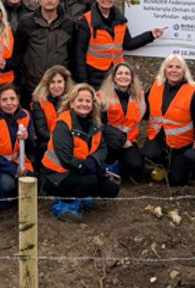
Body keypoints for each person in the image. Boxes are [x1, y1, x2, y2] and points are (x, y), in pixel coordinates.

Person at [41, 83, 119, 221]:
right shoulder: (63, 124)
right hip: (55, 176)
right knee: (91, 181)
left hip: (81, 170)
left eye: (88, 101)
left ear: (93, 104)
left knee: (111, 189)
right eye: (80, 100)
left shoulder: (95, 124)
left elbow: (102, 148)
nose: (84, 104)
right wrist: (87, 167)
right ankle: (63, 204)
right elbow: (65, 159)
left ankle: (80, 196)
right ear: (71, 103)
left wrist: (93, 160)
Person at [74, 0, 164, 88]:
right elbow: (79, 52)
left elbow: (128, 44)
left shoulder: (120, 20)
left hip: (116, 73)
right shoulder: (86, 21)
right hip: (94, 75)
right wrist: (83, 82)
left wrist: (151, 35)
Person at [140, 55, 195, 186]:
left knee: (176, 181)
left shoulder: (193, 92)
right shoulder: (155, 86)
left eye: (178, 67)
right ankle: (162, 164)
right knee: (148, 154)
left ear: (184, 71)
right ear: (164, 70)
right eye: (170, 66)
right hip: (158, 137)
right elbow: (144, 111)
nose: (174, 70)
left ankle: (186, 170)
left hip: (182, 143)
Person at [15, 0, 74, 105]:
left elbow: (72, 54)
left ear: (58, 1)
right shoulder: (27, 22)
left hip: (59, 88)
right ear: (40, 0)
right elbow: (18, 52)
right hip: (32, 86)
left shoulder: (69, 23)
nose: (49, 0)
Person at [0, 84, 34, 211]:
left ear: (18, 99)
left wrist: (27, 137)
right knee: (8, 184)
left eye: (12, 99)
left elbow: (31, 147)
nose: (9, 103)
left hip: (17, 162)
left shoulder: (25, 115)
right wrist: (14, 170)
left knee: (32, 181)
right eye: (4, 100)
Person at [97, 63, 147, 181]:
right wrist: (121, 139)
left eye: (127, 74)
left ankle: (119, 167)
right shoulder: (101, 96)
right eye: (120, 73)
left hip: (130, 141)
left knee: (137, 167)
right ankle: (108, 167)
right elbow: (99, 124)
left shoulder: (140, 96)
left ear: (131, 78)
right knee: (113, 147)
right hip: (109, 141)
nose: (123, 76)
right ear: (114, 78)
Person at [30, 65, 74, 168]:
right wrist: (61, 139)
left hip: (71, 140)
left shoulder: (74, 100)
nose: (56, 86)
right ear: (47, 84)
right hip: (48, 141)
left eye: (59, 82)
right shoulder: (39, 102)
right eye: (52, 82)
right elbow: (41, 132)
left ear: (65, 83)